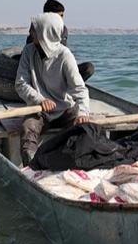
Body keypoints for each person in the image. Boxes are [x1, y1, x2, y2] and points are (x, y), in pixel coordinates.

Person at [14, 12, 92, 163]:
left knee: (83, 130)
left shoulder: (65, 55)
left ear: (45, 32)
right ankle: (31, 167)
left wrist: (83, 112)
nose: (30, 33)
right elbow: (21, 83)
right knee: (28, 127)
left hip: (65, 110)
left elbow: (80, 89)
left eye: (34, 29)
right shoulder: (28, 52)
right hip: (40, 110)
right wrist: (39, 100)